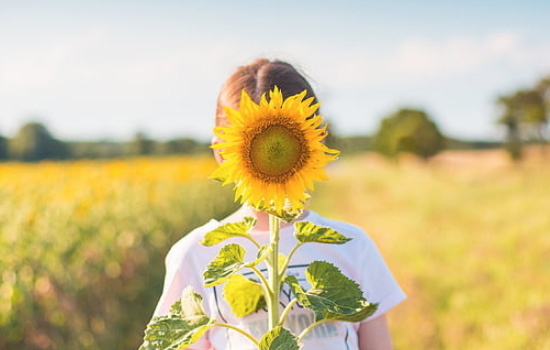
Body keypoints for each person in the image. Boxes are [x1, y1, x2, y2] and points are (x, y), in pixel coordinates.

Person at [152, 58, 406, 350]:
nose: (272, 153)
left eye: (287, 139)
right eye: (255, 142)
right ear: (223, 152)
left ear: (316, 142)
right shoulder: (197, 254)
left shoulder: (353, 247)